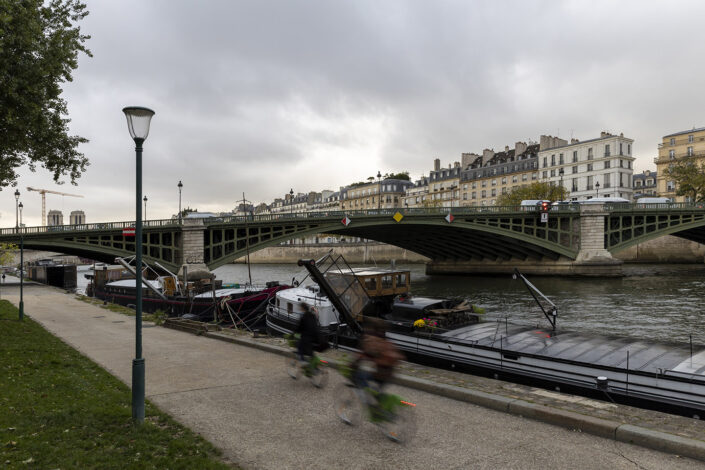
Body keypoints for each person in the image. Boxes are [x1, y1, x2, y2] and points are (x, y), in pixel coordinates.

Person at [352, 317, 403, 392]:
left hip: (381, 373)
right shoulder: (385, 340)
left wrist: (353, 364)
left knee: (360, 377)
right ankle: (376, 397)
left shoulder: (372, 341)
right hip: (388, 373)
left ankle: (370, 396)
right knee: (377, 390)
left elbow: (363, 355)